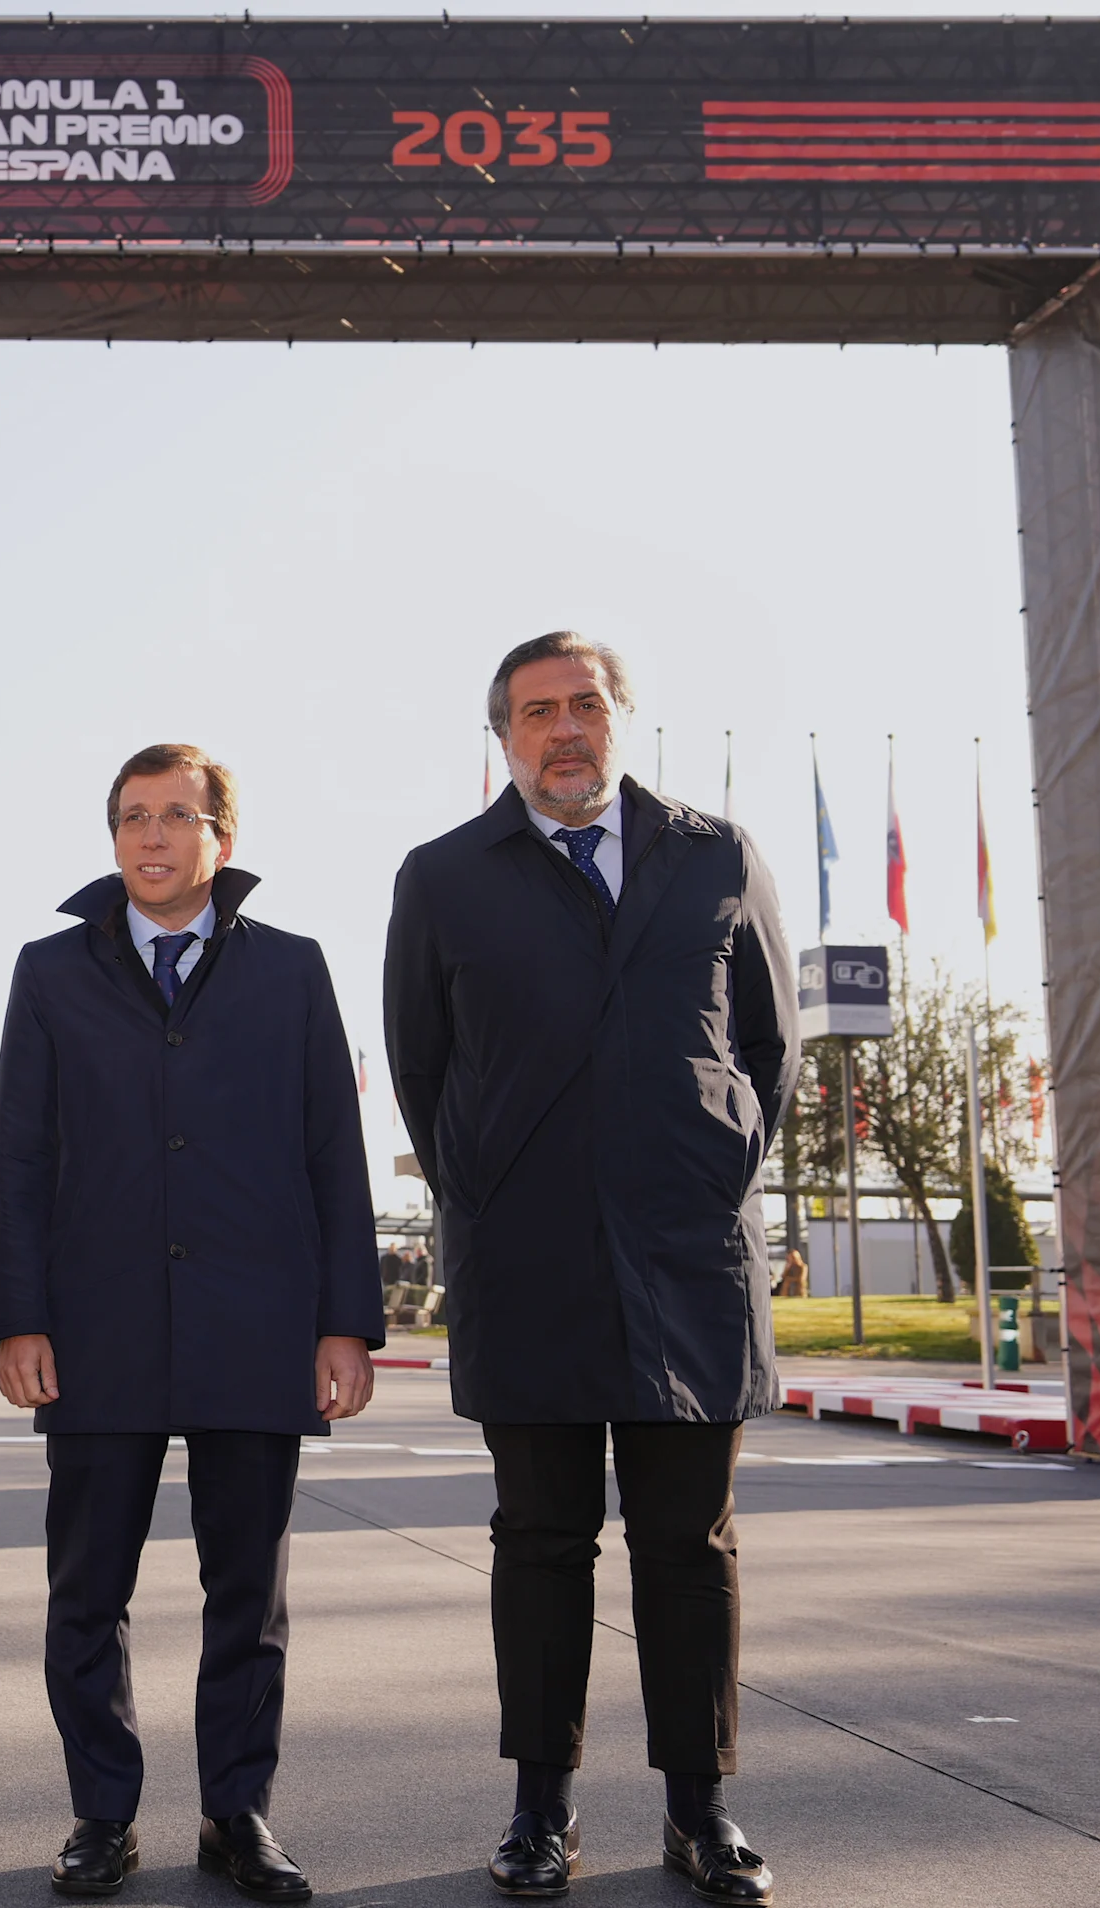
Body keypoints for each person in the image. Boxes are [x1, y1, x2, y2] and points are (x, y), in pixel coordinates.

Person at [383, 633, 795, 1907]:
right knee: (540, 1542)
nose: (563, 730)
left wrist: (705, 1166)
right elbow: (422, 1066)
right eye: (534, 712)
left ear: (622, 718)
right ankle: (537, 1812)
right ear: (499, 735)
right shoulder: (445, 876)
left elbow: (766, 1051)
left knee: (688, 1544)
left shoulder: (713, 855)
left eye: (584, 706)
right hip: (530, 1260)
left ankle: (698, 1809)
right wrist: (492, 1188)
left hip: (685, 1261)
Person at [0, 743, 380, 1905]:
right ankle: (99, 1816)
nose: (149, 836)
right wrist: (19, 1317)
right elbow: (18, 1153)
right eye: (129, 817)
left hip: (256, 1325)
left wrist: (342, 1323)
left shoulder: (293, 971)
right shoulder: (49, 972)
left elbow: (331, 1156)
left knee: (246, 1598)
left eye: (174, 816)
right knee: (85, 1594)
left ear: (222, 837)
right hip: (95, 1330)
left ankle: (234, 1813)